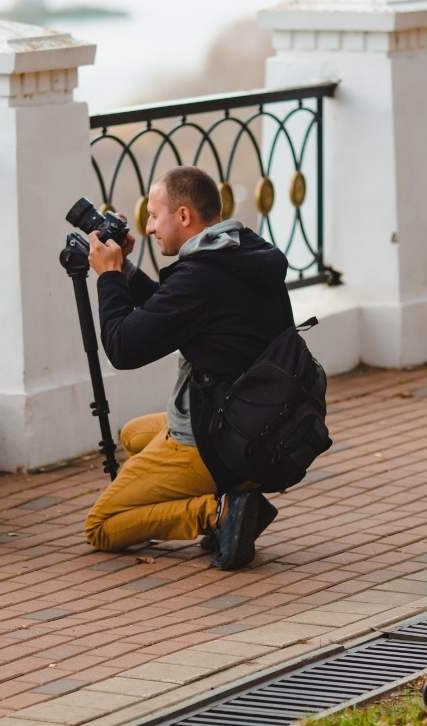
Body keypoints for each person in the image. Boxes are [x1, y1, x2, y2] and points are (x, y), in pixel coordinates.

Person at [82, 166, 295, 569]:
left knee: (101, 525)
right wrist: (125, 270)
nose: (148, 228)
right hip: (260, 422)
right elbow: (171, 309)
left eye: (153, 215)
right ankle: (232, 496)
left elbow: (123, 349)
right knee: (132, 435)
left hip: (215, 436)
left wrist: (108, 277)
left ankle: (218, 513)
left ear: (183, 215)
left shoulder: (201, 277)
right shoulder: (240, 251)